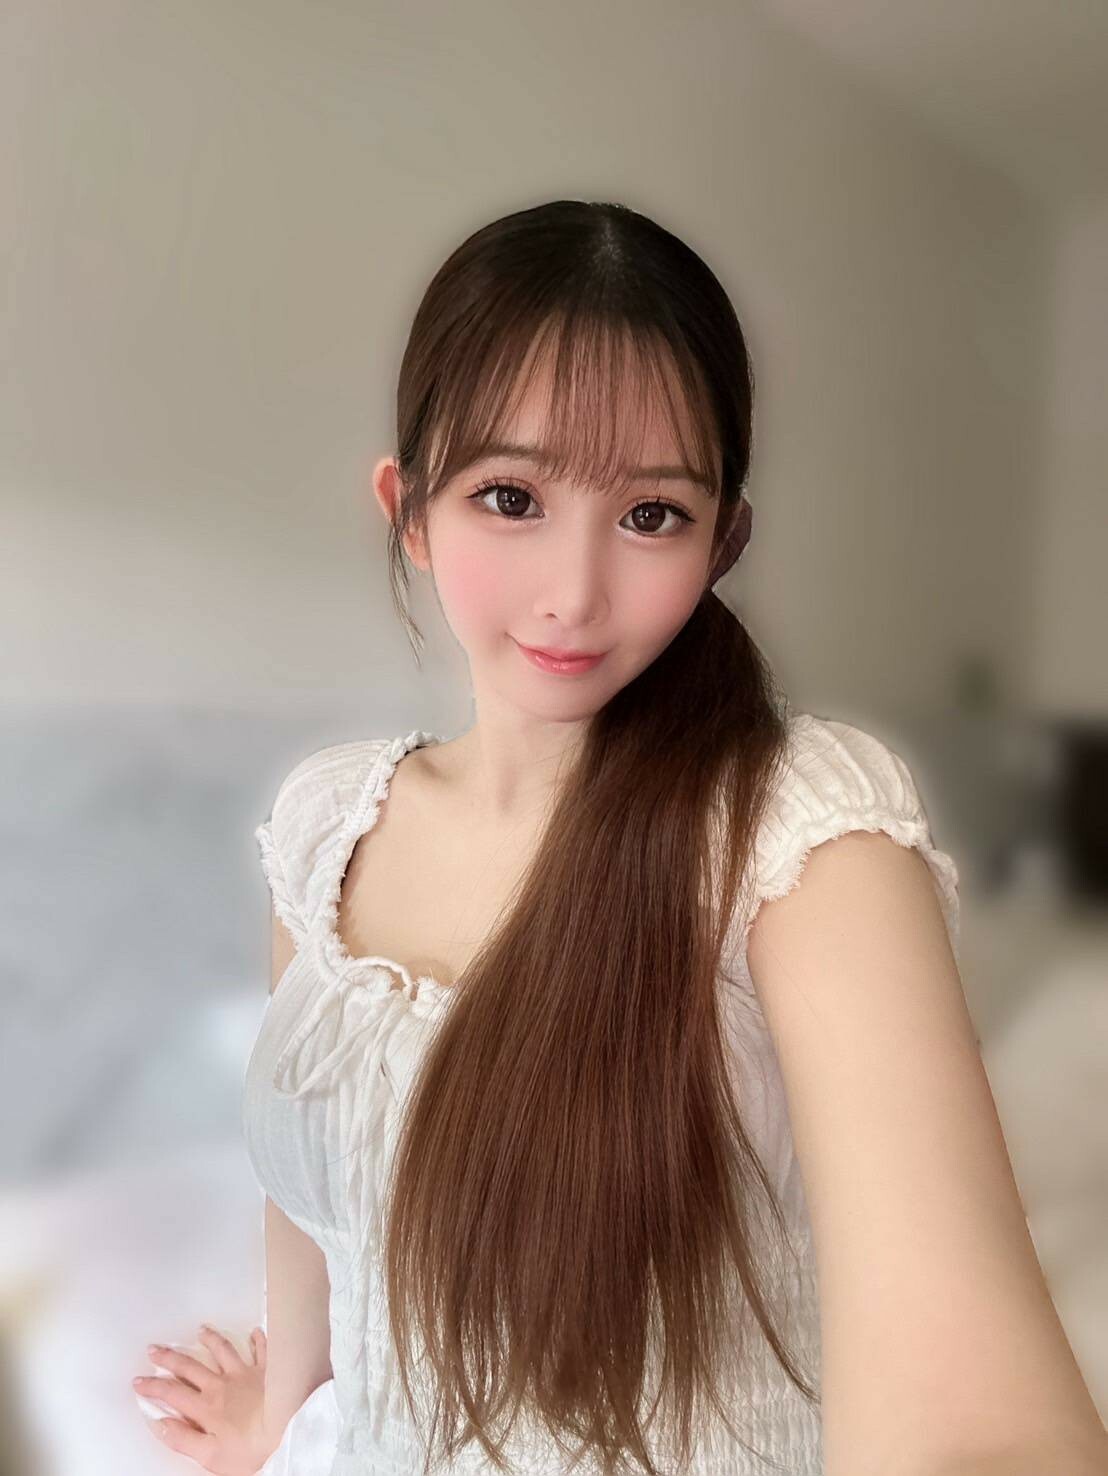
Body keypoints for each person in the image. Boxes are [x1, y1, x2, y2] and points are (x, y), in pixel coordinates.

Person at [132, 200, 1108, 1476]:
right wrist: (283, 1407)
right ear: (408, 511)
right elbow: (317, 1194)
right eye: (509, 497)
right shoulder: (328, 824)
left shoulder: (800, 838)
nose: (575, 595)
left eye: (652, 515)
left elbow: (978, 1424)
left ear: (722, 541)